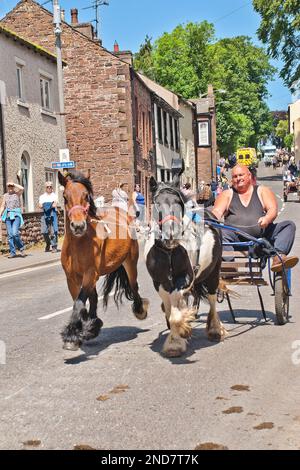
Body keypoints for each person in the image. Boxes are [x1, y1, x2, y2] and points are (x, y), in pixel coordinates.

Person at [212, 164, 299, 272]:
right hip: (236, 241)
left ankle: (278, 256)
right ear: (232, 180)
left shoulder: (262, 190)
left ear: (249, 176)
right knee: (218, 231)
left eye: (241, 175)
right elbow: (217, 212)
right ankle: (229, 265)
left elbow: (272, 209)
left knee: (289, 225)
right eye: (235, 176)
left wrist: (266, 219)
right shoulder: (227, 194)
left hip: (261, 240)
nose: (238, 178)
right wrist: (209, 218)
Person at [0, 181, 25, 258]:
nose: (10, 188)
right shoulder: (5, 196)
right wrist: (0, 214)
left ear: (13, 187)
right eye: (9, 186)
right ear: (7, 188)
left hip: (16, 215)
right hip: (8, 216)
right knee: (10, 235)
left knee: (15, 233)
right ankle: (12, 252)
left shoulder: (17, 194)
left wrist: (14, 184)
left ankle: (21, 247)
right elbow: (3, 206)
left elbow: (22, 188)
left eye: (11, 186)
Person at [39, 182, 59, 252]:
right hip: (44, 214)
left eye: (50, 187)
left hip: (52, 213)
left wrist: (45, 205)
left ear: (52, 188)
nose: (49, 188)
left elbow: (54, 204)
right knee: (44, 231)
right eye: (47, 187)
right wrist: (49, 204)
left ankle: (54, 246)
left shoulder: (54, 195)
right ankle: (48, 243)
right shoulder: (42, 196)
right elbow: (40, 205)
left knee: (53, 230)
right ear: (45, 188)